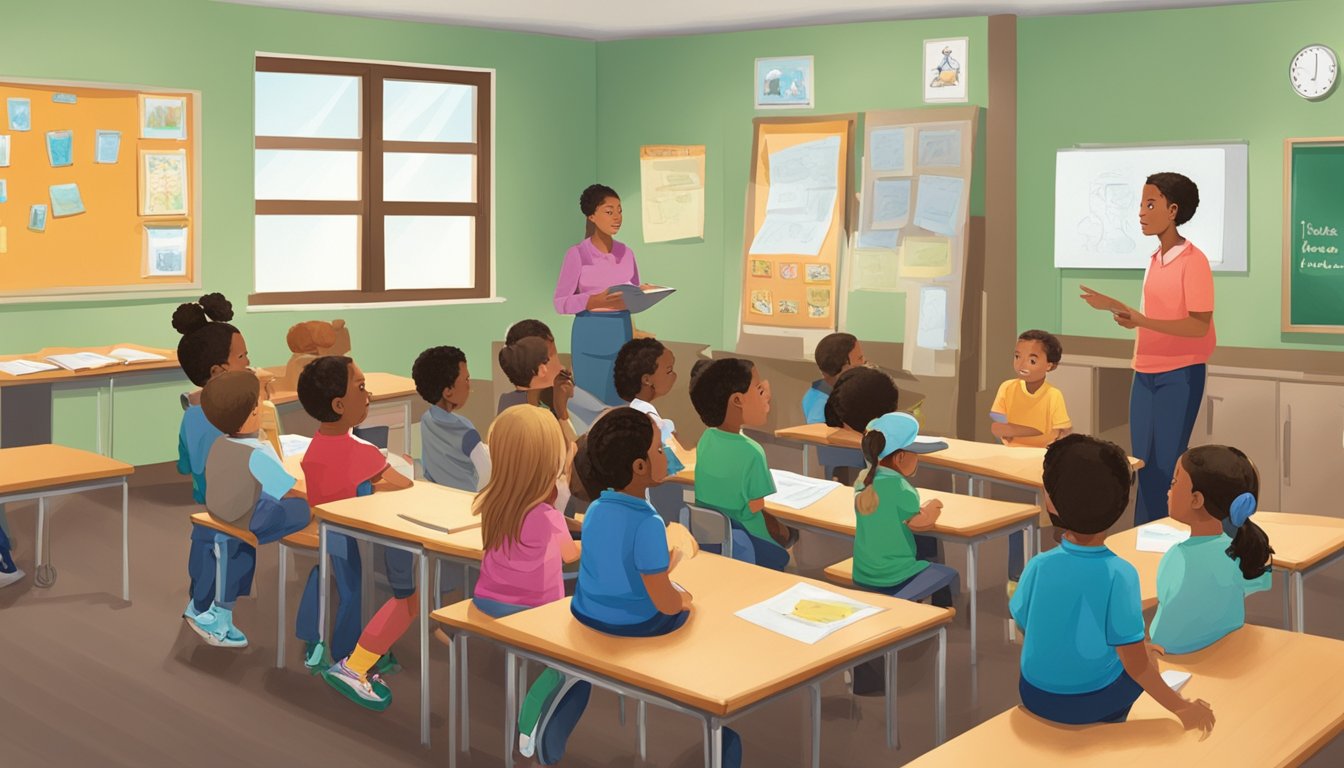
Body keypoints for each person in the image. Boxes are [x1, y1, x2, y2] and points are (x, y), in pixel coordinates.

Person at [1011, 434, 1215, 735]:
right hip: (1089, 702)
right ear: (1120, 504)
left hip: (1033, 693)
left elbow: (1025, 623)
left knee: (1132, 652)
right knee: (1147, 664)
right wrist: (1183, 707)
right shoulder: (1120, 574)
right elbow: (1137, 668)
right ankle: (1108, 731)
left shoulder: (1038, 565)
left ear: (1050, 501)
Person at [566, 408, 731, 765]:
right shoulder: (648, 522)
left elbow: (613, 562)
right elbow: (665, 603)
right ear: (639, 467)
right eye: (658, 450)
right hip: (633, 623)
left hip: (586, 612)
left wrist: (666, 563)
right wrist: (685, 600)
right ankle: (710, 706)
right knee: (704, 615)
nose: (665, 456)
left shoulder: (595, 510)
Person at [1080, 172, 1214, 526]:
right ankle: (1144, 538)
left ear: (1173, 210)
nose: (1141, 212)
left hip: (1180, 374)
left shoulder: (1193, 260)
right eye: (1141, 204)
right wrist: (1117, 307)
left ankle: (1165, 543)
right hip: (1145, 372)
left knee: (1167, 468)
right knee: (1142, 465)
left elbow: (1198, 325)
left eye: (1150, 204)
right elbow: (1153, 318)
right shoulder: (1154, 260)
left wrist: (1142, 322)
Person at [295, 357, 414, 694]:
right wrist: (381, 478)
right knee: (355, 594)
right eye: (361, 388)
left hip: (326, 532)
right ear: (338, 404)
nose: (369, 395)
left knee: (334, 583)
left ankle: (317, 643)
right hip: (356, 535)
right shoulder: (361, 452)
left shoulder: (316, 446)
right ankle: (349, 658)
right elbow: (403, 484)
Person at [468, 405, 580, 760]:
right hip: (533, 611)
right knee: (570, 665)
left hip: (486, 600)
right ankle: (529, 721)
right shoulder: (548, 516)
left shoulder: (493, 504)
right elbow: (569, 556)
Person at [192, 371, 312, 647]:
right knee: (302, 509)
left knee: (267, 505)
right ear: (255, 412)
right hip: (247, 519)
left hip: (220, 512)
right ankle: (219, 619)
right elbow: (289, 488)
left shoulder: (220, 443)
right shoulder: (258, 452)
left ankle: (211, 611)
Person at [171, 293, 260, 623]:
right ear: (219, 369)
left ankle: (198, 601)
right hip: (235, 499)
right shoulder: (231, 416)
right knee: (235, 549)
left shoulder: (191, 415)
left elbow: (183, 463)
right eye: (242, 357)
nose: (248, 362)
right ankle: (220, 613)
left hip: (204, 496)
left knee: (206, 543)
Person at [1149, 445, 1273, 654]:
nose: (1168, 491)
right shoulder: (1243, 548)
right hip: (1226, 649)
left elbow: (1164, 628)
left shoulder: (1176, 557)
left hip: (1176, 655)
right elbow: (1258, 584)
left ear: (1196, 499)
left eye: (1174, 482)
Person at [989, 329, 1072, 591]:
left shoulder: (1052, 395)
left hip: (1042, 463)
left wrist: (1025, 433)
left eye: (1032, 360)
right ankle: (1016, 579)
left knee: (1049, 523)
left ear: (1050, 365)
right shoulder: (1007, 388)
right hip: (1012, 462)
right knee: (1018, 522)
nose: (1022, 365)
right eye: (1017, 357)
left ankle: (1053, 577)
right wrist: (1031, 431)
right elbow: (998, 427)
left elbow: (1059, 433)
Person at [689, 358, 790, 571]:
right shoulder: (752, 451)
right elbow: (757, 505)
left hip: (711, 537)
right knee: (787, 535)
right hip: (749, 538)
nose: (765, 397)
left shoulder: (706, 438)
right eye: (758, 389)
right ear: (737, 400)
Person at [553, 184, 650, 406]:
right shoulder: (577, 254)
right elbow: (560, 303)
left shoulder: (627, 253)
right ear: (592, 216)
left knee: (621, 400)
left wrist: (644, 295)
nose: (617, 217)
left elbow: (633, 294)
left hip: (622, 330)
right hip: (590, 332)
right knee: (591, 403)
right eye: (609, 211)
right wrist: (591, 300)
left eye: (620, 210)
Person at [413, 345, 490, 492]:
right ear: (448, 392)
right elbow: (486, 470)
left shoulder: (426, 420)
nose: (470, 385)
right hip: (467, 499)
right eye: (466, 380)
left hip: (437, 495)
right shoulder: (465, 429)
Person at [801, 332, 866, 482]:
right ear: (844, 365)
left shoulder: (837, 393)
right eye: (860, 358)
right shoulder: (821, 403)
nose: (864, 363)